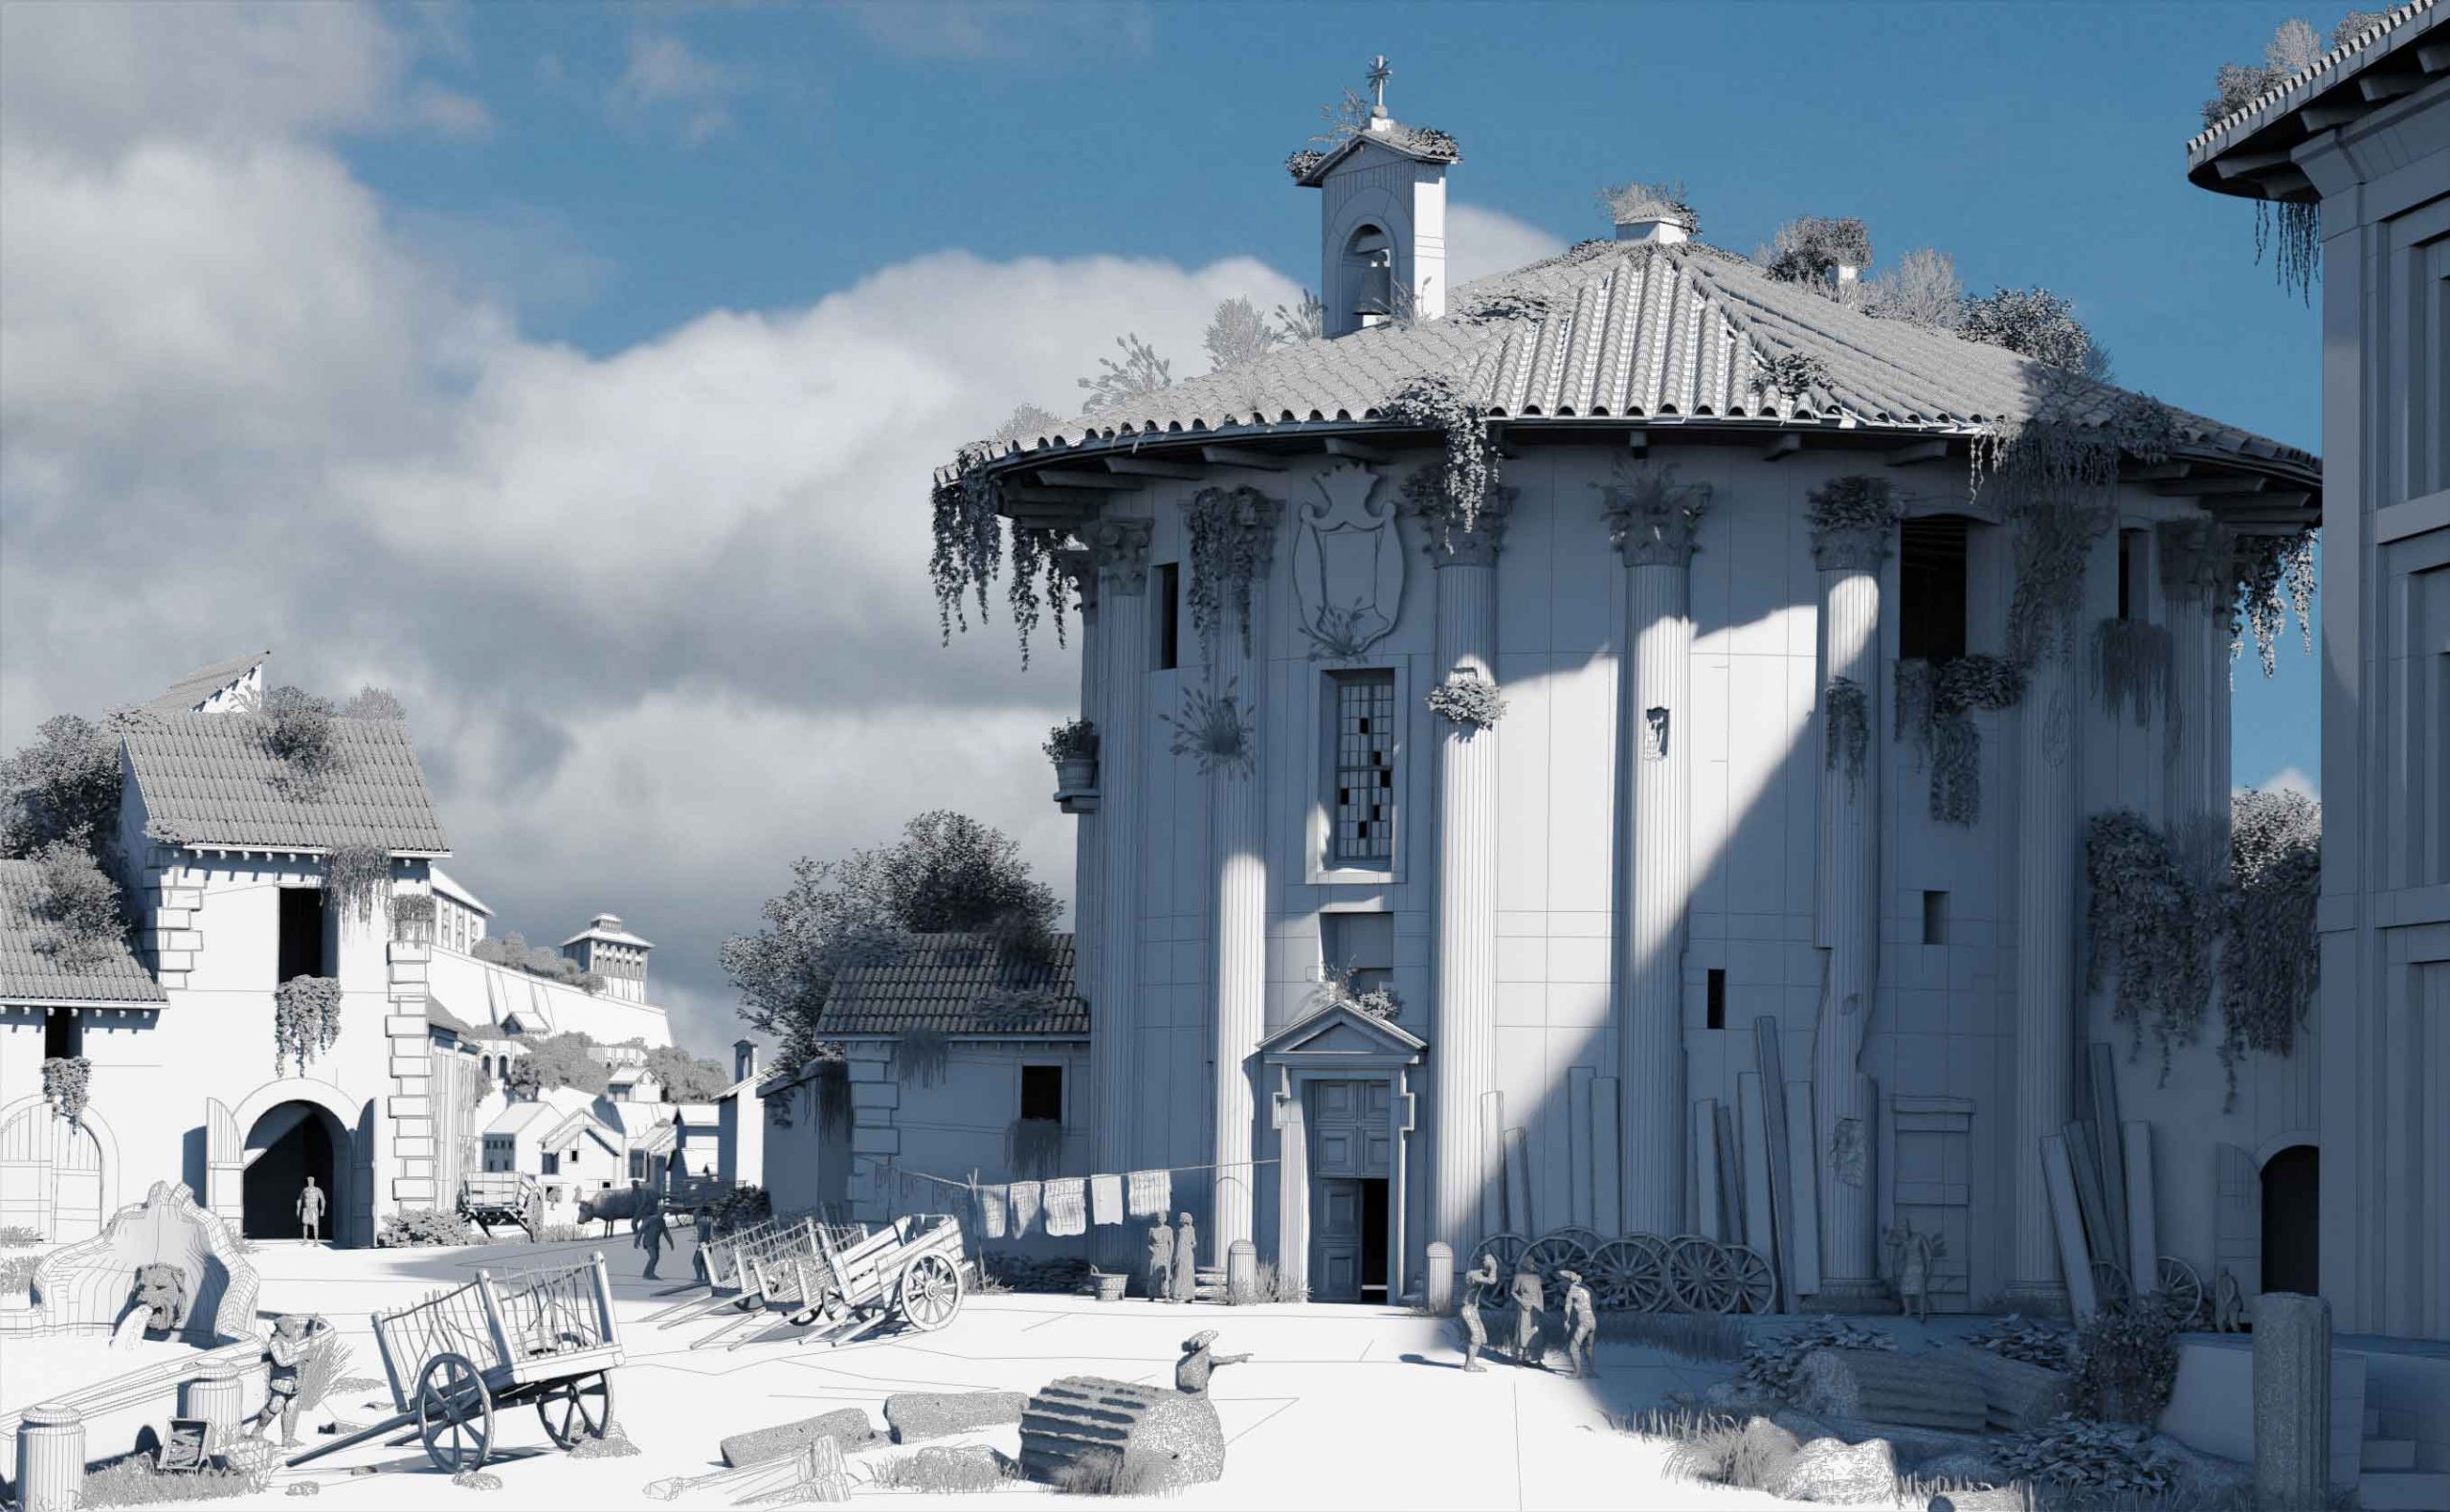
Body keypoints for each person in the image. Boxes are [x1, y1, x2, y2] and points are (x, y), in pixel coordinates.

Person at [244, 1314, 328, 1447]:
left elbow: (296, 1355)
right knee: (274, 1407)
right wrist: (301, 1356)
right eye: (289, 1326)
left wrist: (305, 1357)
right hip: (281, 1380)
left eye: (293, 1326)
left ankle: (287, 1439)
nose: (292, 1329)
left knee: (292, 1409)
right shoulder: (275, 1342)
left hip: (295, 1380)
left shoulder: (291, 1340)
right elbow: (282, 1361)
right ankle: (257, 1432)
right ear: (282, 1327)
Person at [1174, 1329, 1252, 1393]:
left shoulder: (1183, 1359)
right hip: (1197, 1395)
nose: (1209, 1348)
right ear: (1205, 1347)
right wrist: (1241, 1357)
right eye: (1207, 1346)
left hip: (1181, 1393)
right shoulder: (1207, 1359)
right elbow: (1225, 1360)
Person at [1459, 1253, 1498, 1372]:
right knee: (1476, 1338)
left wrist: (1491, 1267)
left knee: (1482, 1338)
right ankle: (1470, 1365)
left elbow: (1491, 1278)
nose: (1488, 1265)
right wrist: (1494, 1266)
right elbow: (1492, 1281)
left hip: (1473, 1309)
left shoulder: (1478, 1273)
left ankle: (1469, 1363)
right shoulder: (1473, 1275)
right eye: (1488, 1262)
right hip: (1467, 1309)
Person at [1559, 1270, 1596, 1380]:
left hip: (1584, 1322)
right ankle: (1592, 1371)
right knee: (1589, 1348)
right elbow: (1594, 1303)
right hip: (1593, 1321)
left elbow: (1567, 1309)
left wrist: (1566, 1322)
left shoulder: (1572, 1291)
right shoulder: (1587, 1288)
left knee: (1573, 1347)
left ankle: (1577, 1373)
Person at [1509, 1263, 1545, 1369]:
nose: (1533, 1265)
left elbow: (1540, 1294)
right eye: (1530, 1263)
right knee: (1523, 1333)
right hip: (1525, 1308)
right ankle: (1520, 1359)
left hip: (1536, 1308)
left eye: (1534, 1263)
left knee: (1537, 1333)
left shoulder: (1537, 1277)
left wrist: (1542, 1309)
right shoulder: (1518, 1276)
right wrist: (1522, 1301)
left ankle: (1537, 1359)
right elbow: (1513, 1292)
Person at [635, 1198, 670, 1280]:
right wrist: (637, 1240)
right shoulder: (651, 1219)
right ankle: (650, 1274)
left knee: (656, 1258)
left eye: (663, 1212)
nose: (662, 1213)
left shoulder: (662, 1222)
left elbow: (666, 1233)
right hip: (648, 1242)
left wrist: (670, 1243)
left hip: (655, 1243)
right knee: (653, 1257)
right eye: (661, 1211)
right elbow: (641, 1229)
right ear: (658, 1211)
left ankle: (646, 1273)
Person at [1147, 1215, 1176, 1301]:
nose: (1161, 1219)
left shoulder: (1168, 1229)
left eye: (1162, 1217)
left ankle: (1166, 1294)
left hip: (1165, 1252)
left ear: (1165, 1219)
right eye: (1159, 1217)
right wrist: (1153, 1250)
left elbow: (1171, 1243)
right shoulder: (1152, 1229)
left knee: (1166, 1275)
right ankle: (1152, 1294)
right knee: (1153, 1274)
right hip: (1156, 1253)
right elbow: (1149, 1243)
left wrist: (1170, 1255)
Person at [1170, 1213, 1199, 1303]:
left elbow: (1191, 1243)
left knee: (1182, 1273)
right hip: (1186, 1254)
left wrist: (1184, 1249)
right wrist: (1188, 1248)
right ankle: (1186, 1295)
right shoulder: (1188, 1230)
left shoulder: (1184, 1230)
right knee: (1184, 1273)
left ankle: (1181, 1295)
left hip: (1184, 1254)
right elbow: (1193, 1243)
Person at [297, 1175, 325, 1243]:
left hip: (314, 1209)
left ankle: (316, 1240)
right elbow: (300, 1199)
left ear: (313, 1181)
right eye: (309, 1180)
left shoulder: (317, 1190)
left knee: (315, 1225)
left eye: (311, 1180)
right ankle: (305, 1239)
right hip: (306, 1209)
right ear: (307, 1181)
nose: (310, 1182)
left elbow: (323, 1199)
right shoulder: (305, 1190)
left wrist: (322, 1209)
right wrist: (298, 1209)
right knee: (305, 1224)